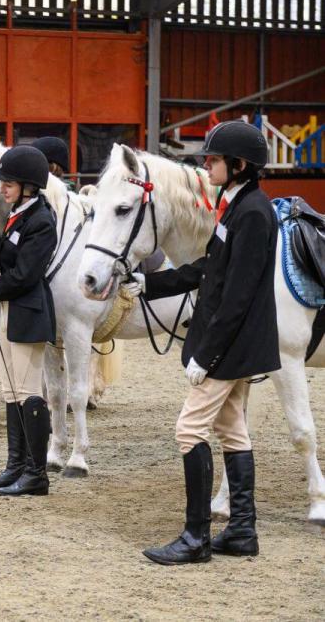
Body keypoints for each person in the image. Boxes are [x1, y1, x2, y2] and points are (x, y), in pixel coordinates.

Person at [126, 120, 276, 565]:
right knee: (231, 430)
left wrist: (206, 356)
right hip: (232, 346)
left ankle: (196, 537)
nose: (206, 165)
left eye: (212, 159)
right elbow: (206, 268)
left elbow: (238, 295)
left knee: (188, 431)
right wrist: (149, 283)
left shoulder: (252, 213)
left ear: (239, 164)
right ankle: (242, 531)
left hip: (229, 348)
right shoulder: (235, 205)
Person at [0, 145, 57, 497]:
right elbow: (6, 257)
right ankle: (15, 465)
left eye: (9, 183)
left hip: (27, 310)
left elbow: (24, 274)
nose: (3, 188)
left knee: (28, 392)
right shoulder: (19, 215)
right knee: (11, 392)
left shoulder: (41, 220)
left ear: (28, 185)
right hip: (10, 311)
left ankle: (37, 473)